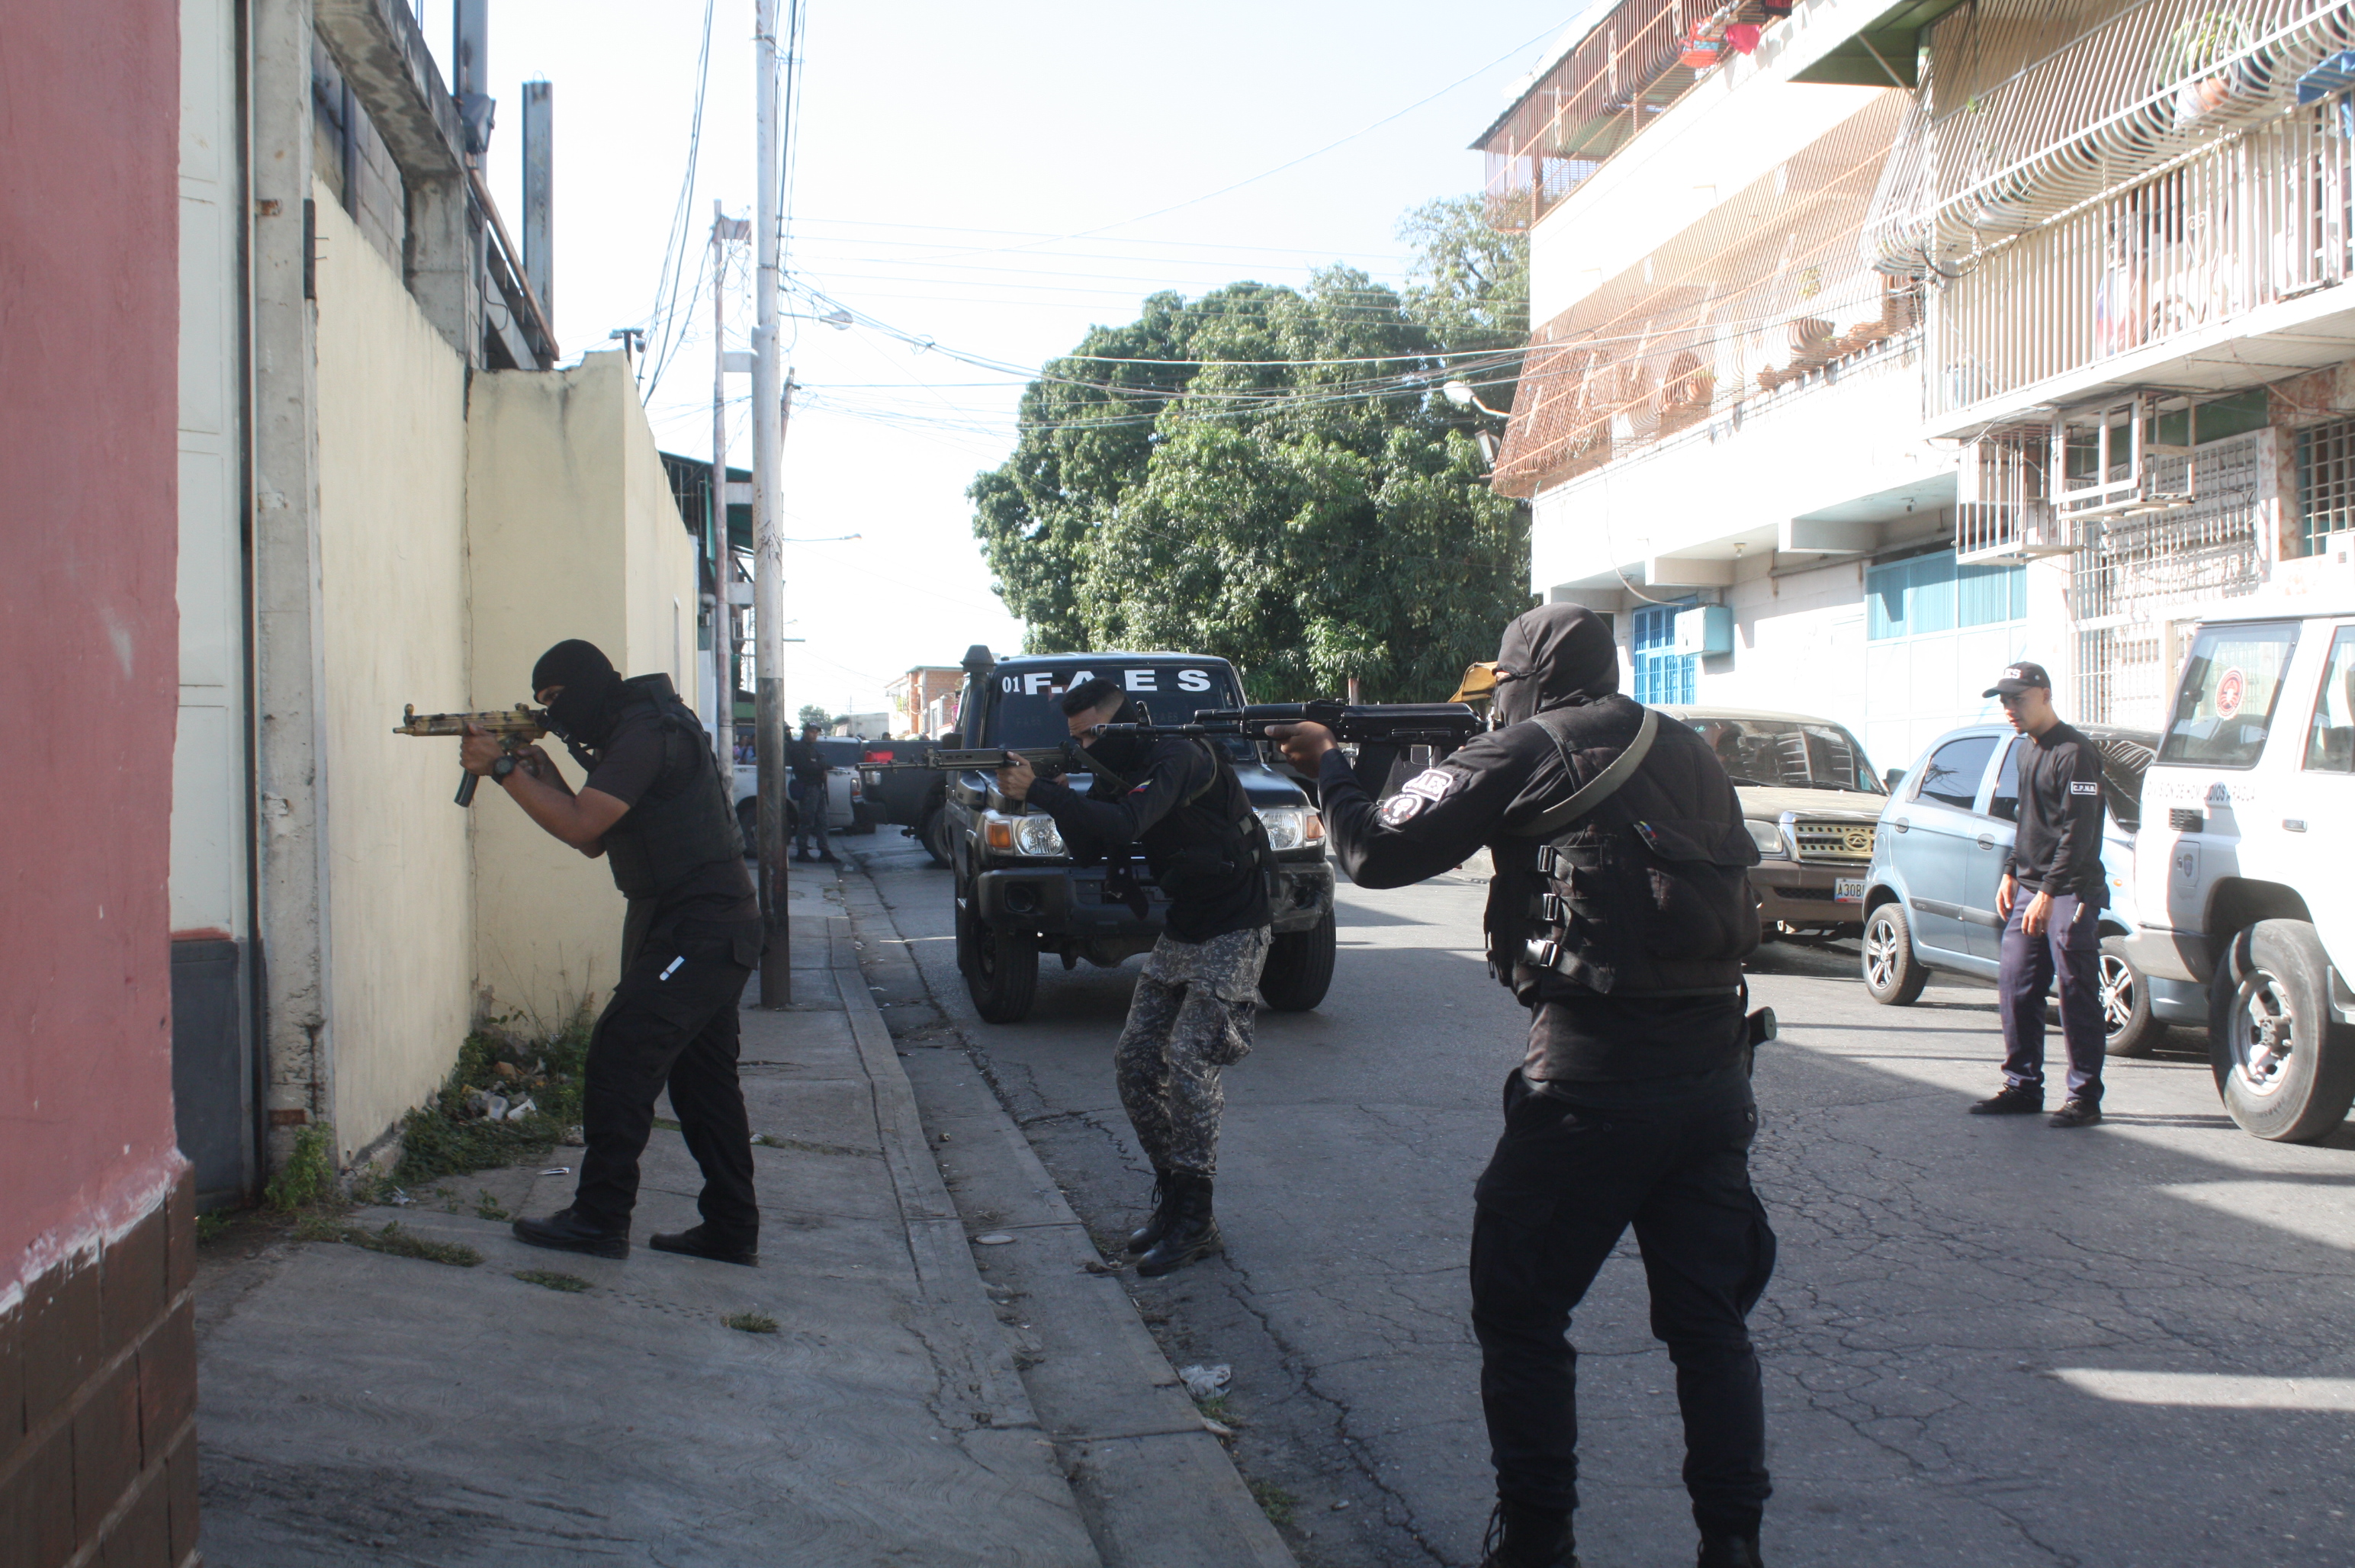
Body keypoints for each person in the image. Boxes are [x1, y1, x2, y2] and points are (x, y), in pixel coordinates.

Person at [1270, 603, 1775, 1568]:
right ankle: (1733, 1543)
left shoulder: (1531, 746)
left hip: (1591, 1083)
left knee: (1520, 1310)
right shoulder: (1686, 745)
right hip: (1714, 1079)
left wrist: (1329, 766)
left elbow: (1375, 850)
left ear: (1525, 681)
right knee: (1711, 1326)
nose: (1496, 706)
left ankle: (1538, 1541)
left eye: (1500, 688)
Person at [461, 639, 763, 1265]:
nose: (554, 713)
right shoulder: (635, 729)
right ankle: (731, 1227)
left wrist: (503, 770)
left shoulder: (645, 732)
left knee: (620, 1055)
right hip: (698, 926)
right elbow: (592, 834)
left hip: (698, 930)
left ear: (586, 686)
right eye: (542, 705)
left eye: (556, 700)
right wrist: (542, 774)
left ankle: (599, 1218)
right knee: (703, 1083)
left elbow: (580, 827)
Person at [994, 676, 1274, 1277]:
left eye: (1092, 734)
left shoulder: (1178, 754)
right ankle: (1176, 1203)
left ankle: (1196, 1223)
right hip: (1187, 926)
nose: (1087, 747)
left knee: (1191, 1064)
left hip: (1235, 923)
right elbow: (1094, 849)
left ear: (1122, 721)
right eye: (1077, 739)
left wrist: (1044, 791)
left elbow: (1127, 822)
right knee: (1136, 1063)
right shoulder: (1115, 768)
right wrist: (1062, 796)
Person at [1970, 661, 2109, 1128]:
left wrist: (2050, 891)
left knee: (2075, 993)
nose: (2010, 709)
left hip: (2069, 892)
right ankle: (2022, 1086)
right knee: (2016, 986)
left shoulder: (2075, 752)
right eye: (2005, 701)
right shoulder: (2024, 750)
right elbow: (2028, 819)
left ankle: (2084, 1097)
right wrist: (2012, 870)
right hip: (2031, 886)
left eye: (2018, 699)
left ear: (2045, 694)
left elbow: (2079, 830)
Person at [788, 721, 835, 863]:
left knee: (822, 821)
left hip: (817, 788)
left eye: (816, 732)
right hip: (808, 787)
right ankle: (802, 851)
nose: (814, 734)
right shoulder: (798, 749)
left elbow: (817, 764)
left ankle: (824, 851)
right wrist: (822, 769)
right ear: (805, 732)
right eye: (812, 731)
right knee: (807, 820)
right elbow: (804, 767)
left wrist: (827, 767)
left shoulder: (812, 749)